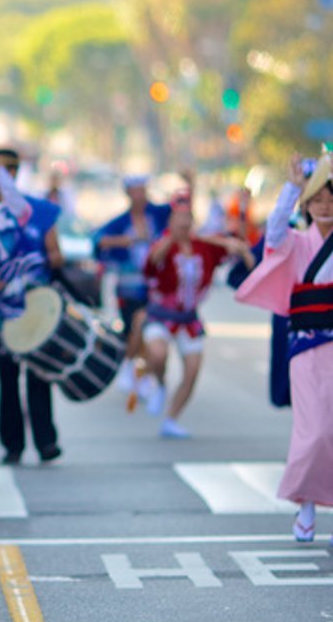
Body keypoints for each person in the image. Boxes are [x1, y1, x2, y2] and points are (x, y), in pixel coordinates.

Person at [235, 150, 333, 546]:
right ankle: (305, 506)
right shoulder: (297, 242)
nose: (325, 205)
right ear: (307, 203)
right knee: (312, 430)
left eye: (332, 199)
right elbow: (273, 234)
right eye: (317, 199)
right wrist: (291, 188)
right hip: (304, 345)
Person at [136, 195, 254, 437]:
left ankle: (171, 419)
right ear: (171, 221)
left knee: (192, 370)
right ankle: (159, 385)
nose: (183, 222)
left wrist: (238, 233)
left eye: (187, 218)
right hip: (162, 314)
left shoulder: (204, 245)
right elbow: (151, 263)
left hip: (189, 318)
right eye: (178, 218)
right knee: (157, 354)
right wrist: (171, 240)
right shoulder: (162, 244)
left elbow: (234, 246)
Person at [0, 148, 63, 464]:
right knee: (7, 379)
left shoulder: (40, 211)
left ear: (15, 172)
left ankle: (46, 442)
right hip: (2, 311)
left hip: (35, 306)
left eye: (4, 170)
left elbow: (56, 254)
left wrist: (38, 260)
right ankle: (13, 444)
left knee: (39, 376)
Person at [94, 175, 171, 407]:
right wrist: (124, 241)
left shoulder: (158, 214)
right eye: (135, 191)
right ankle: (136, 369)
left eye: (143, 190)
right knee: (134, 328)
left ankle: (137, 369)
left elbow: (182, 216)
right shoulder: (120, 222)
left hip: (156, 287)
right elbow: (97, 240)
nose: (140, 195)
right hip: (128, 286)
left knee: (147, 326)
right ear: (128, 193)